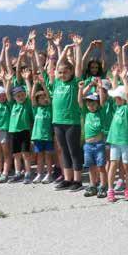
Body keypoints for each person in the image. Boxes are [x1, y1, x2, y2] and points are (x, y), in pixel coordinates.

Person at [51, 34, 85, 190]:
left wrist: (78, 47)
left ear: (71, 73)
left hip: (72, 122)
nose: (62, 75)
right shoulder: (57, 83)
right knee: (64, 151)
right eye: (60, 73)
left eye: (65, 72)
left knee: (74, 151)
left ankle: (77, 181)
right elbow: (58, 64)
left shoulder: (74, 83)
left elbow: (78, 66)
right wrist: (64, 49)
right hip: (58, 122)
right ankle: (67, 178)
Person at [105, 67, 128, 202]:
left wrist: (124, 79)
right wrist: (115, 77)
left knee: (127, 166)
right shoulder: (117, 107)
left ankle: (127, 189)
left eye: (117, 97)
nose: (114, 99)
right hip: (115, 141)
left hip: (126, 142)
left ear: (122, 99)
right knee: (113, 164)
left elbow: (127, 93)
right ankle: (110, 190)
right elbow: (117, 89)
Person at [79, 78, 110, 198]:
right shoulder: (85, 113)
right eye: (89, 104)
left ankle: (103, 186)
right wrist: (82, 88)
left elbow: (102, 101)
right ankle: (92, 185)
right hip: (88, 145)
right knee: (91, 166)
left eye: (93, 104)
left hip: (99, 144)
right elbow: (80, 100)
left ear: (97, 104)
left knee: (101, 166)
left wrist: (100, 87)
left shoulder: (100, 113)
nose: (91, 106)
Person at [8, 71, 34, 184]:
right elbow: (8, 93)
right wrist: (8, 81)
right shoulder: (13, 105)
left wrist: (27, 80)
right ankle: (18, 172)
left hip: (25, 131)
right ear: (14, 97)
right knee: (16, 154)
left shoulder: (27, 104)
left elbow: (30, 92)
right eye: (18, 96)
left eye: (22, 95)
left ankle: (28, 173)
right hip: (14, 132)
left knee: (25, 154)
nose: (21, 97)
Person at [30, 75, 54, 184]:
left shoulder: (49, 108)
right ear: (37, 100)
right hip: (37, 137)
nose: (43, 99)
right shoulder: (36, 109)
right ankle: (39, 174)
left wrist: (43, 85)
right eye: (40, 98)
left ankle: (49, 174)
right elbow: (32, 97)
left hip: (47, 136)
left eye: (44, 98)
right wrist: (35, 84)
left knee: (48, 156)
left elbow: (48, 96)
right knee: (39, 156)